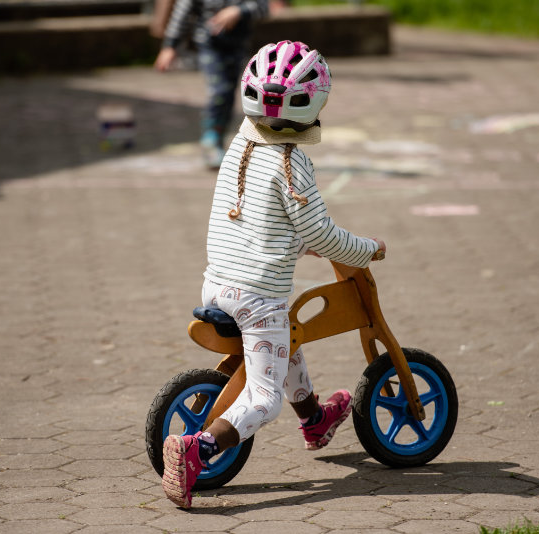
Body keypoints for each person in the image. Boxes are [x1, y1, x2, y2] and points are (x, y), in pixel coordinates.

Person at [161, 40, 387, 509]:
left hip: (218, 282)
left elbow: (255, 218)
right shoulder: (292, 162)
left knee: (287, 340)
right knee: (264, 400)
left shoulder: (240, 144)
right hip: (255, 297)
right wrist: (367, 249)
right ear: (315, 102)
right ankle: (195, 450)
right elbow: (321, 232)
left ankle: (316, 420)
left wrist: (291, 243)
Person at [153, 0, 268, 168]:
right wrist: (170, 46)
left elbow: (263, 8)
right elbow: (182, 14)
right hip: (210, 45)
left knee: (230, 95)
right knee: (219, 92)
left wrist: (238, 11)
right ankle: (211, 138)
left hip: (238, 44)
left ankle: (219, 141)